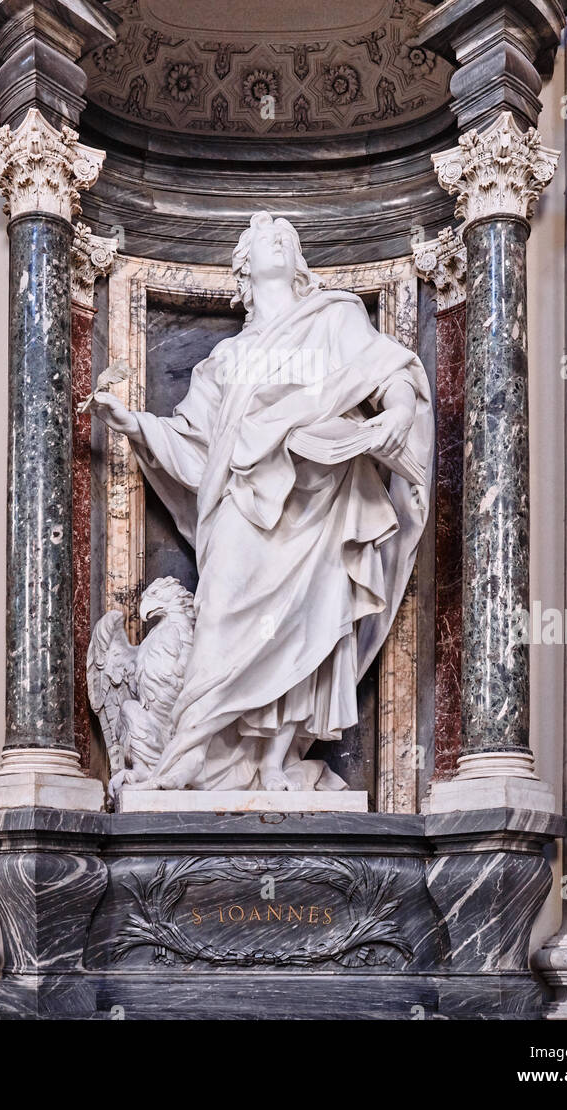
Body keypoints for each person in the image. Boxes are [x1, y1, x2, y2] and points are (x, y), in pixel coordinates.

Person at [91, 212, 434, 791]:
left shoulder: (334, 317)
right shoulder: (224, 360)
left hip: (320, 498)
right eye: (262, 234)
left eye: (285, 234)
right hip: (244, 510)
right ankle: (186, 754)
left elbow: (388, 369)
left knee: (304, 626)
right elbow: (197, 447)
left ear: (298, 261)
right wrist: (137, 426)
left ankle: (274, 762)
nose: (275, 230)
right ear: (243, 267)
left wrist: (399, 412)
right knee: (221, 619)